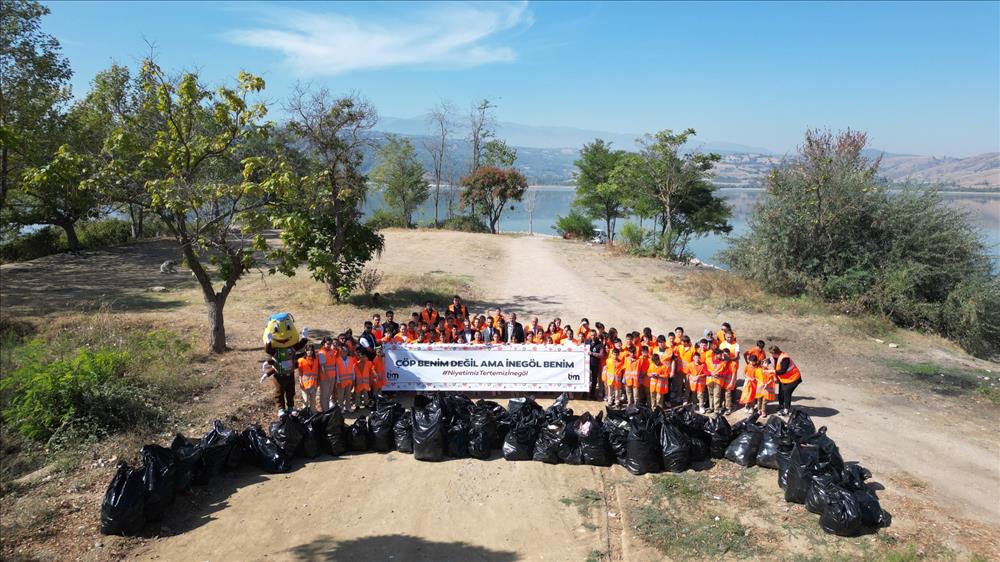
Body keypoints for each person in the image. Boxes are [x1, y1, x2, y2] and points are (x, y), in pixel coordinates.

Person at [770, 346, 802, 416]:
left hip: (793, 378)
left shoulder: (785, 359)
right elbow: (770, 360)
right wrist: (765, 361)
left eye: (772, 354)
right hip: (784, 379)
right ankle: (781, 405)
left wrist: (772, 371)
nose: (771, 355)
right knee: (781, 393)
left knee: (787, 393)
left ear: (775, 353)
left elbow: (782, 371)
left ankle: (786, 410)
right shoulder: (776, 356)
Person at [296, 345, 321, 412]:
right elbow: (300, 373)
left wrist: (318, 381)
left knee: (313, 400)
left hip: (314, 384)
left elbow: (318, 371)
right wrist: (300, 381)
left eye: (311, 350)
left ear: (313, 351)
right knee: (306, 401)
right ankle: (305, 414)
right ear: (305, 351)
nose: (309, 352)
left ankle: (313, 413)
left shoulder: (316, 360)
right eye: (308, 350)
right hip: (305, 384)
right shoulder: (301, 360)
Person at [334, 343, 356, 411]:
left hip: (349, 380)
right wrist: (338, 381)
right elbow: (337, 371)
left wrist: (353, 377)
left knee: (348, 395)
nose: (344, 352)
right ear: (340, 352)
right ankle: (341, 407)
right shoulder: (337, 360)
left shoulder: (351, 359)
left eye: (346, 351)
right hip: (341, 381)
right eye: (343, 351)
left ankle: (348, 407)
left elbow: (352, 369)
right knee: (340, 396)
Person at [318, 337, 338, 411]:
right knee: (324, 395)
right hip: (325, 377)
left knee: (329, 394)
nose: (329, 345)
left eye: (330, 344)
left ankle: (327, 409)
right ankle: (325, 410)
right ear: (324, 343)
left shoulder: (332, 351)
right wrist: (326, 376)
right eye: (328, 344)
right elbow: (322, 366)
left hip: (332, 376)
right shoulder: (321, 352)